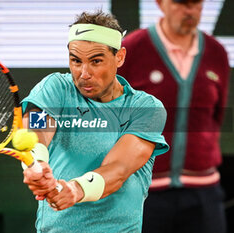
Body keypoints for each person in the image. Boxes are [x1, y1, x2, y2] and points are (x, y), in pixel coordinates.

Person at [21, 10, 169, 233]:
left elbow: (118, 169)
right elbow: (37, 126)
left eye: (96, 61)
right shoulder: (56, 88)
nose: (84, 73)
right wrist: (37, 161)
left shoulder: (145, 108)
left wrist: (75, 189)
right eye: (75, 61)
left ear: (119, 56)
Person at [117, 0, 230, 232]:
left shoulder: (216, 52)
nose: (189, 10)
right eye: (180, 2)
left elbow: (216, 116)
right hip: (142, 192)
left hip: (204, 193)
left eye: (195, 2)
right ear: (160, 3)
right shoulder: (131, 49)